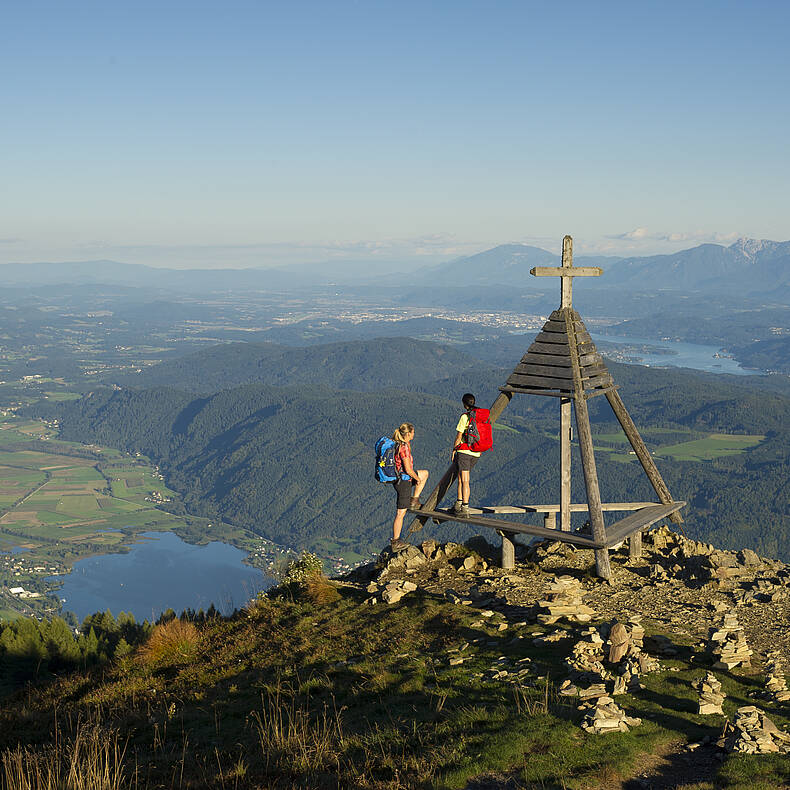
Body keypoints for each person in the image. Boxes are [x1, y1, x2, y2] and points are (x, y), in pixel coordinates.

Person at [390, 422, 429, 551]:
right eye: (413, 432)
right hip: (404, 482)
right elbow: (407, 469)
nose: (414, 434)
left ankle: (414, 500)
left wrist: (418, 477)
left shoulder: (399, 443)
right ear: (408, 434)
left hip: (400, 479)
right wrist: (416, 479)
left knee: (424, 474)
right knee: (400, 513)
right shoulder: (404, 447)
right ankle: (396, 541)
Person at [451, 393, 480, 516]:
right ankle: (458, 503)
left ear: (464, 404)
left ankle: (465, 507)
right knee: (461, 478)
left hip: (464, 452)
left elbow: (459, 436)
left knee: (465, 480)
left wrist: (453, 450)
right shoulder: (479, 416)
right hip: (476, 452)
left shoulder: (465, 417)